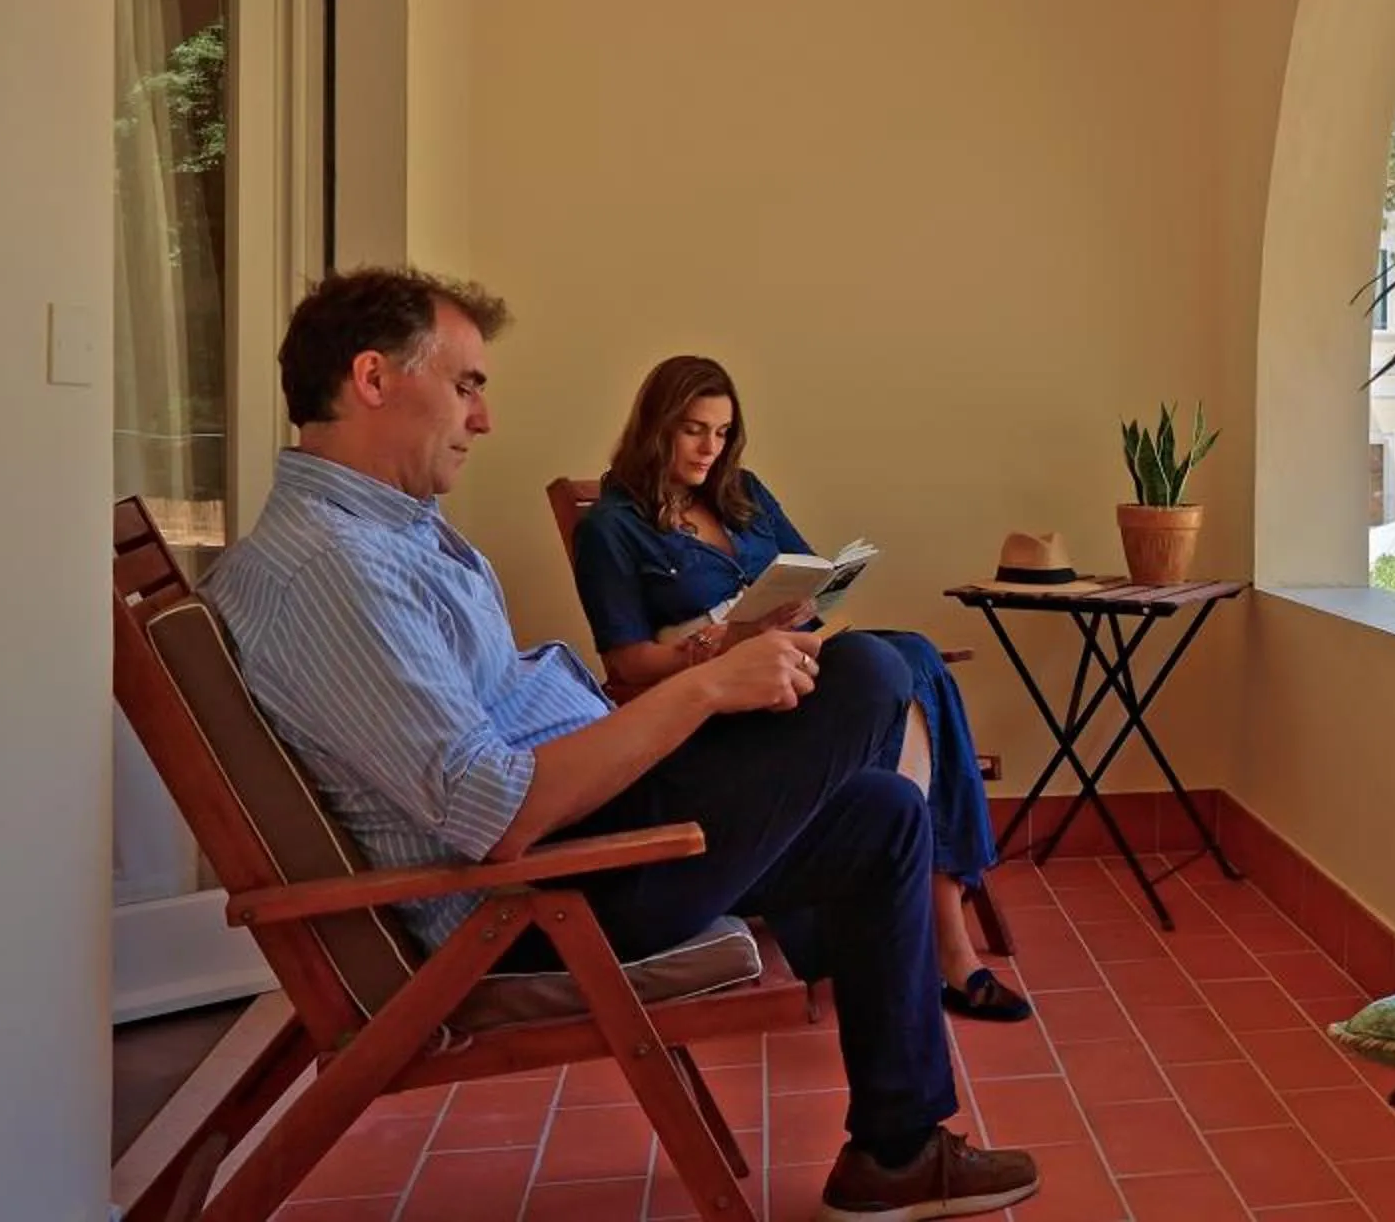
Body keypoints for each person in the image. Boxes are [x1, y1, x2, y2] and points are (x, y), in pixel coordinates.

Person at [199, 268, 1038, 1219]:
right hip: (539, 898)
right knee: (875, 673)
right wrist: (709, 687)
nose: (483, 420)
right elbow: (499, 812)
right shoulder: (333, 571)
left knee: (884, 810)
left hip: (585, 837)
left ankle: (895, 1155)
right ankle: (857, 961)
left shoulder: (388, 539)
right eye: (468, 384)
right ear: (373, 380)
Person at [568, 355, 1029, 1024]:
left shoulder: (744, 494)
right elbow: (627, 663)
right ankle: (937, 945)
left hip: (793, 664)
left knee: (916, 658)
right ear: (655, 428)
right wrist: (718, 644)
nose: (709, 448)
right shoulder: (612, 527)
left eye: (722, 433)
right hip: (722, 699)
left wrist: (801, 605)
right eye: (693, 430)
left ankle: (932, 935)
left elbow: (813, 577)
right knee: (902, 667)